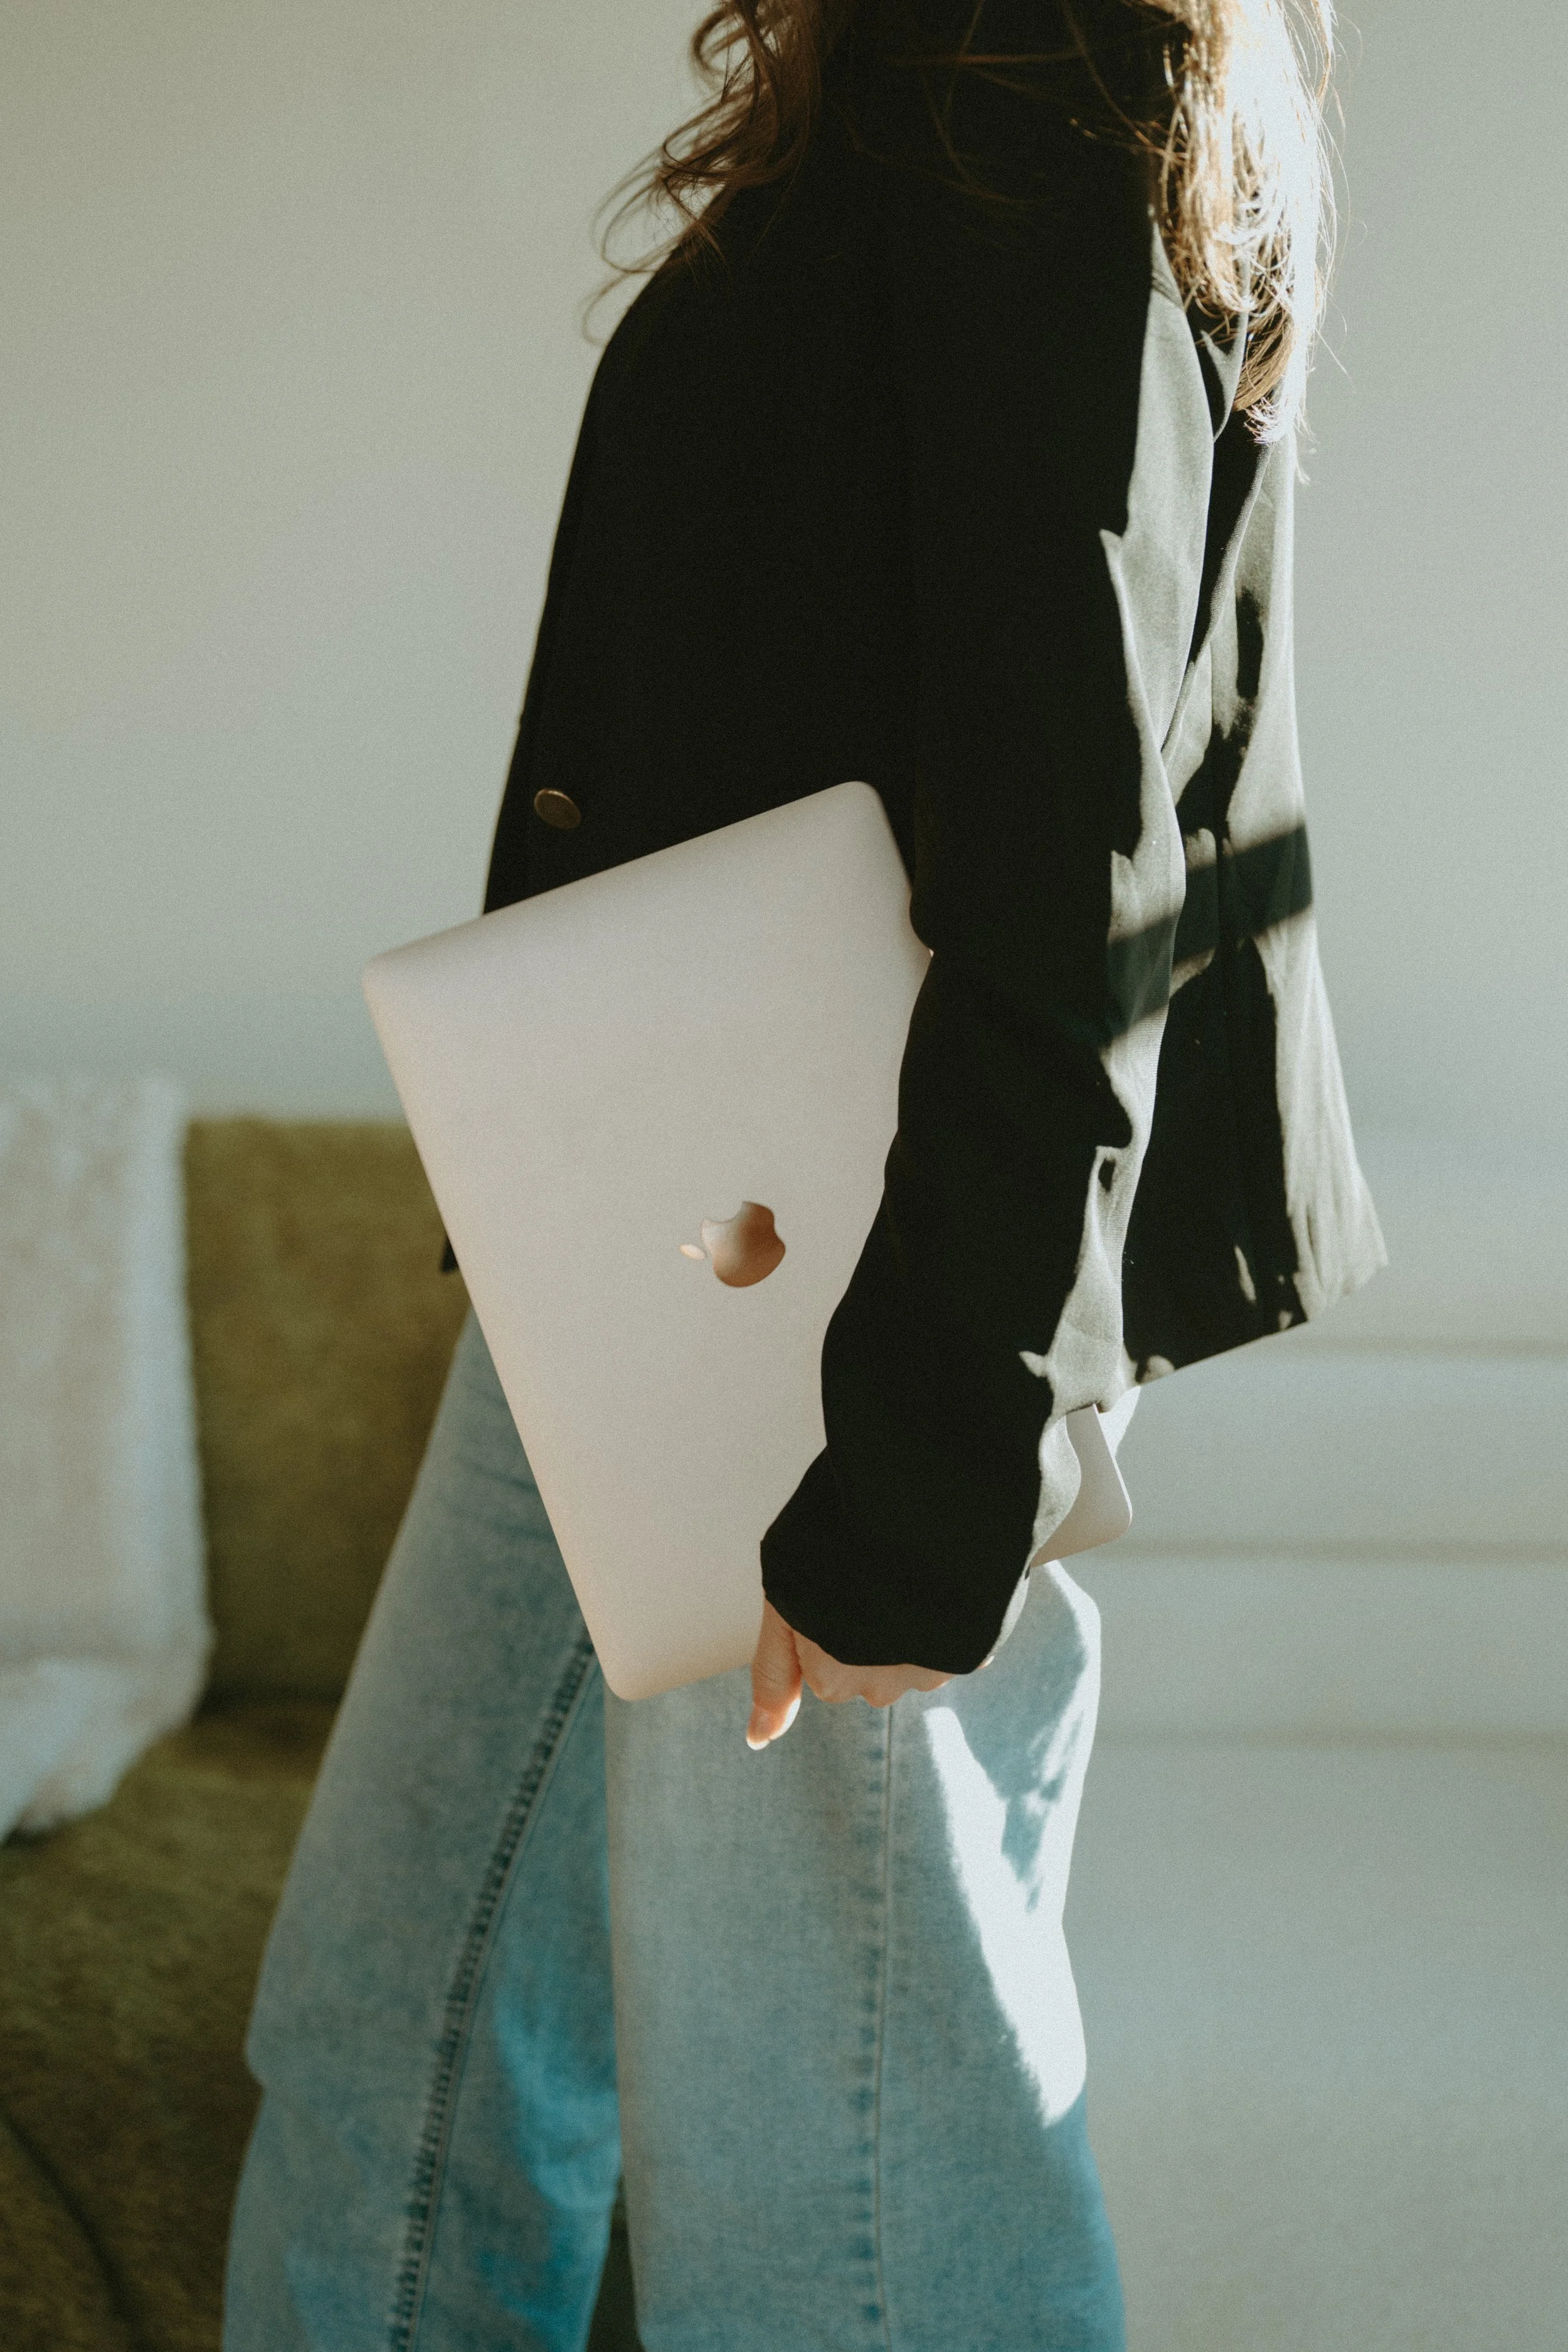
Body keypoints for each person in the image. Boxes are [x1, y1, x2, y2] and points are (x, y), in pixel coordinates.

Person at [225, 3, 1384, 2347]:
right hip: (656, 1239)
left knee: (842, 2208)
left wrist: (925, 1466)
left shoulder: (1041, 58)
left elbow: (1075, 852)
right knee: (395, 2050)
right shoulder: (922, 74)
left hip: (858, 1289)